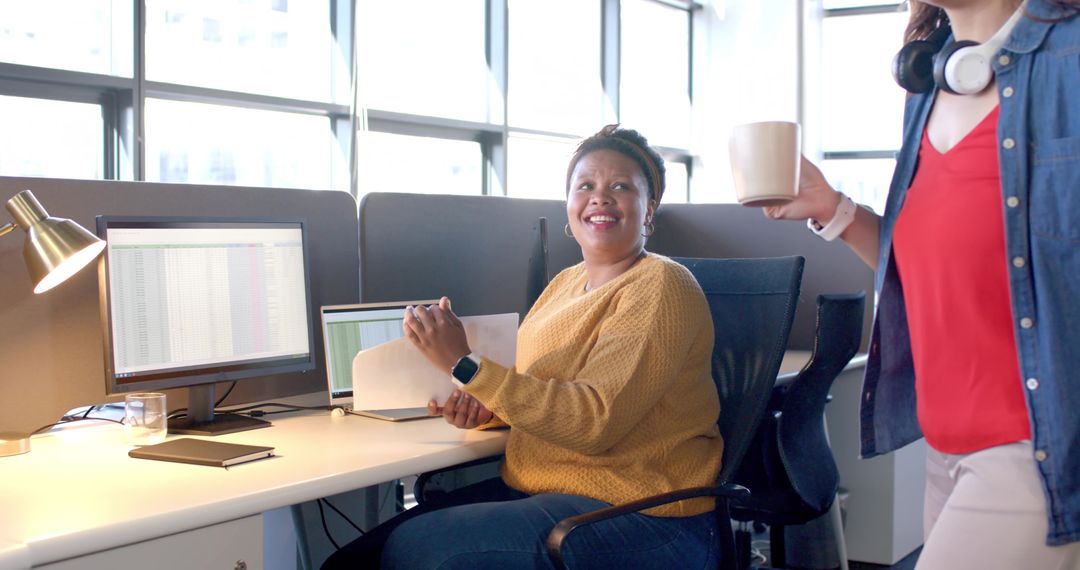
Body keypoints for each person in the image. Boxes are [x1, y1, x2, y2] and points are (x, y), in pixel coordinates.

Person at [763, 0, 1080, 567]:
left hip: (1034, 446)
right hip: (946, 441)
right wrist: (834, 209)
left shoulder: (1069, 61)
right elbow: (922, 261)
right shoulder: (929, 85)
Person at [321, 124, 724, 569]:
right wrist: (488, 411)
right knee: (351, 562)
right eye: (585, 185)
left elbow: (594, 421)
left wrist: (463, 363)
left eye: (621, 187)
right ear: (569, 206)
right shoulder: (564, 286)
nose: (600, 197)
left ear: (650, 208)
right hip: (548, 492)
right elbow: (542, 390)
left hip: (640, 515)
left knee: (416, 551)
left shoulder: (660, 285)